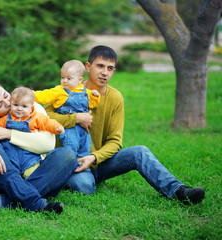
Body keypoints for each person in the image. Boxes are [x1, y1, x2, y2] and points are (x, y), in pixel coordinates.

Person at [45, 45, 205, 204]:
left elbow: (115, 141)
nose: (104, 72)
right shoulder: (64, 91)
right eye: (100, 66)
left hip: (98, 162)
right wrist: (76, 118)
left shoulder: (115, 98)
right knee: (85, 186)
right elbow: (45, 117)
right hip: (72, 160)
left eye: (110, 68)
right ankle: (69, 177)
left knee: (140, 152)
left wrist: (94, 157)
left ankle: (179, 191)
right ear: (88, 67)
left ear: (114, 71)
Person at [0, 79, 78, 214]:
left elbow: (48, 144)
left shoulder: (30, 107)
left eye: (6, 95)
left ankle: (0, 202)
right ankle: (35, 201)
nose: (8, 104)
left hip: (29, 175)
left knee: (67, 156)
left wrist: (8, 134)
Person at [0, 86, 64, 179]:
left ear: (31, 108)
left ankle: (32, 186)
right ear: (11, 103)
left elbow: (48, 123)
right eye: (16, 105)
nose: (19, 109)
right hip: (10, 157)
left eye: (24, 106)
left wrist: (57, 127)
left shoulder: (36, 118)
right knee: (10, 176)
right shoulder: (4, 120)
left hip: (30, 157)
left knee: (32, 174)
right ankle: (15, 187)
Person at [33, 60, 100, 159]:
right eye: (62, 77)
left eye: (69, 78)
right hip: (69, 129)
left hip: (83, 130)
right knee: (70, 151)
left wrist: (95, 97)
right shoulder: (59, 91)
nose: (64, 81)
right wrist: (31, 95)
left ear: (80, 80)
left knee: (85, 149)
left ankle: (82, 166)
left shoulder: (85, 92)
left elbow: (92, 104)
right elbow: (45, 95)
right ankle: (70, 167)